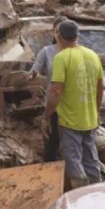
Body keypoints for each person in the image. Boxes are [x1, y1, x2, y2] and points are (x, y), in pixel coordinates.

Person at [42, 20, 105, 189]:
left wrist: (47, 116)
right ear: (77, 35)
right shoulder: (93, 55)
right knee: (91, 159)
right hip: (89, 119)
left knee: (73, 160)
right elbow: (100, 89)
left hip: (70, 120)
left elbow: (55, 92)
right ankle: (97, 193)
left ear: (59, 36)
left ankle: (81, 195)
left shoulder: (61, 58)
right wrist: (95, 111)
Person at [30, 16, 67, 162]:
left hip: (72, 104)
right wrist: (32, 74)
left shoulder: (76, 52)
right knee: (52, 144)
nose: (59, 35)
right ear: (53, 32)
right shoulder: (46, 52)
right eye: (57, 31)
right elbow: (35, 68)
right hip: (54, 104)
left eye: (62, 31)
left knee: (72, 145)